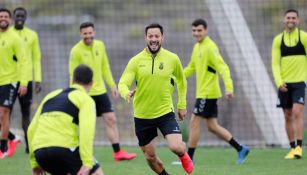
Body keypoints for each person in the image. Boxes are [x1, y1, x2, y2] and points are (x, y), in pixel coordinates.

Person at [118, 23, 194, 175]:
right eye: (150, 36)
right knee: (150, 157)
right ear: (146, 38)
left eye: (156, 36)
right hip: (142, 115)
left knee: (176, 147)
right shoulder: (136, 60)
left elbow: (182, 81)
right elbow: (122, 82)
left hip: (165, 112)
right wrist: (126, 93)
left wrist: (182, 105)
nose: (153, 39)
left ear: (162, 38)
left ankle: (183, 154)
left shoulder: (172, 58)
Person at [178, 19, 250, 165]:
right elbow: (191, 67)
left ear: (206, 30)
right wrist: (175, 77)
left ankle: (189, 158)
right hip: (204, 93)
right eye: (194, 30)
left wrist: (229, 87)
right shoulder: (197, 47)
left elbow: (223, 68)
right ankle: (241, 148)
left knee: (193, 122)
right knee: (212, 127)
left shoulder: (210, 47)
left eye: (199, 30)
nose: (196, 33)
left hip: (207, 93)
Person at [69, 22, 136, 161]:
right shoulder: (75, 51)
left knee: (111, 119)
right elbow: (73, 74)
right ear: (81, 34)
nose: (88, 35)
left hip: (100, 92)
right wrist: (74, 92)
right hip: (84, 93)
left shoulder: (100, 45)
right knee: (86, 125)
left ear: (94, 32)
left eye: (90, 33)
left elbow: (105, 66)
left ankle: (118, 152)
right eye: (85, 33)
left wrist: (112, 85)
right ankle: (81, 153)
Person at [28, 64, 104, 175]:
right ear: (91, 83)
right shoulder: (85, 100)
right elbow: (86, 132)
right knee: (96, 172)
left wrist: (34, 163)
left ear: (72, 80)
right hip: (64, 150)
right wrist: (87, 163)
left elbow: (31, 130)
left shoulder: (50, 96)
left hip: (40, 153)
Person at [272, 9, 307, 159]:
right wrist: (279, 82)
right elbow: (275, 64)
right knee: (287, 116)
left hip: (300, 82)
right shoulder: (278, 40)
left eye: (293, 18)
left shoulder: (304, 37)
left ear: (298, 20)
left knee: (297, 112)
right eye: (288, 17)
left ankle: (299, 146)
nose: (290, 20)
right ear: (284, 20)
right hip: (285, 83)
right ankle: (292, 148)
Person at [7, 7, 42, 155]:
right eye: (17, 16)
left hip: (25, 81)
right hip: (7, 80)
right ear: (13, 18)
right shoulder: (7, 34)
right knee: (4, 114)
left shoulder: (32, 35)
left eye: (22, 16)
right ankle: (10, 139)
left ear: (26, 17)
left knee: (26, 113)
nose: (20, 18)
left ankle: (29, 146)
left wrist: (38, 80)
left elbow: (36, 58)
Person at [0, 8, 29, 159]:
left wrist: (23, 83)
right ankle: (12, 138)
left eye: (5, 16)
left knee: (3, 114)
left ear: (10, 20)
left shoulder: (14, 38)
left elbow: (24, 61)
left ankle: (3, 146)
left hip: (9, 81)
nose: (3, 18)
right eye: (0, 16)